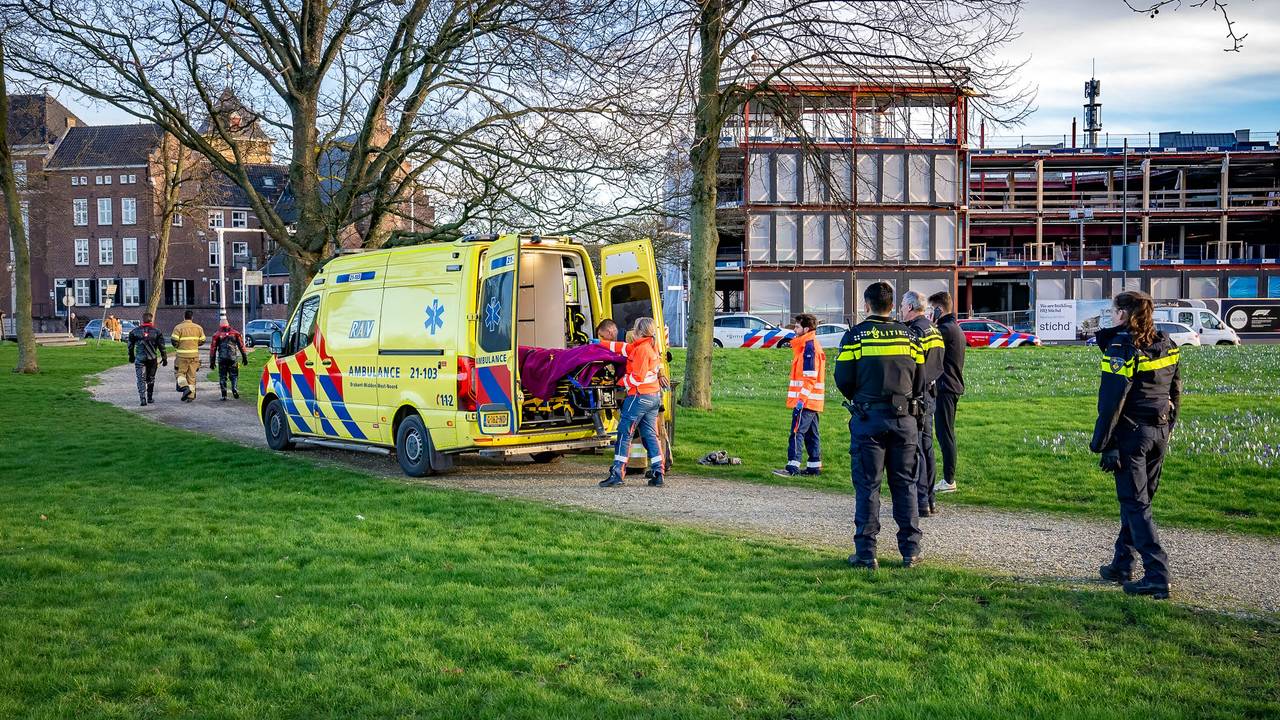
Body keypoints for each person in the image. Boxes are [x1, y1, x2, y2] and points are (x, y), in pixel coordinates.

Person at [1091, 290, 1181, 600]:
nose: (1110, 315)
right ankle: (1122, 564)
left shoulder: (1122, 347)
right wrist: (1168, 428)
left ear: (1123, 314)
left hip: (1132, 435)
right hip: (1159, 432)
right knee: (1139, 502)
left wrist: (1104, 443)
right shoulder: (1167, 343)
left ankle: (1157, 574)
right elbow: (1176, 391)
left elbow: (1112, 402)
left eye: (1112, 310)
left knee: (1135, 503)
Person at [834, 282, 926, 569]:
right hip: (904, 419)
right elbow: (921, 380)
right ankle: (910, 551)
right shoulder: (910, 336)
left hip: (868, 419)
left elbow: (843, 379)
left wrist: (862, 397)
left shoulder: (856, 336)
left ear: (866, 305)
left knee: (868, 487)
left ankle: (866, 553)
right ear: (893, 305)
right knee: (906, 485)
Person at [596, 317, 666, 488]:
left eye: (635, 328)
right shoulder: (650, 345)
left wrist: (621, 382)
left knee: (624, 433)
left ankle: (617, 473)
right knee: (650, 435)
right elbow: (623, 348)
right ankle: (658, 472)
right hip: (653, 397)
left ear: (640, 331)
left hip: (638, 396)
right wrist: (600, 344)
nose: (632, 330)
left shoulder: (641, 350)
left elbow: (637, 377)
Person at [901, 291, 946, 516]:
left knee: (916, 448)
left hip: (917, 395)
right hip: (931, 393)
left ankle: (920, 502)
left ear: (910, 307)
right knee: (927, 447)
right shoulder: (934, 330)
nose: (900, 309)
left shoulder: (915, 331)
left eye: (902, 305)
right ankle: (930, 499)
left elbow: (912, 365)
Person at [773, 313, 825, 477]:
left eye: (797, 327)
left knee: (797, 432)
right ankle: (814, 467)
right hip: (812, 401)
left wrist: (800, 400)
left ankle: (792, 467)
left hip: (805, 400)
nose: (794, 330)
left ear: (806, 329)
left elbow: (810, 378)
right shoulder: (809, 345)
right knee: (812, 434)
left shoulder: (809, 348)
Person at [928, 291, 965, 494]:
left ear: (938, 310)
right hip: (950, 386)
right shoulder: (954, 327)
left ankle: (949, 480)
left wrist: (929, 325)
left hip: (945, 387)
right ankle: (949, 479)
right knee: (946, 433)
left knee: (945, 434)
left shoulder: (944, 330)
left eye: (931, 309)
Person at [127, 312, 168, 406]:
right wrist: (164, 358)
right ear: (151, 320)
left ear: (143, 320)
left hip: (140, 358)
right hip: (152, 358)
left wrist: (131, 356)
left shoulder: (134, 332)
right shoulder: (157, 332)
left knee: (140, 378)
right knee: (151, 378)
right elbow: (162, 346)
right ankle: (149, 397)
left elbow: (130, 346)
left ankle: (142, 398)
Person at [209, 316, 250, 401]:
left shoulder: (217, 334)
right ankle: (234, 388)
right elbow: (241, 346)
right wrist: (244, 357)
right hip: (232, 358)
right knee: (234, 375)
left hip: (222, 358)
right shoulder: (235, 333)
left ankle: (224, 395)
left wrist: (212, 362)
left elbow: (213, 349)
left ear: (220, 325)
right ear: (228, 324)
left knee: (222, 376)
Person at [171, 310, 207, 402]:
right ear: (192, 317)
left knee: (179, 373)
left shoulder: (178, 328)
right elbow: (203, 340)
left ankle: (185, 387)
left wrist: (179, 346)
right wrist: (195, 344)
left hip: (181, 356)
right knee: (191, 376)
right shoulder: (198, 328)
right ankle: (190, 396)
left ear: (184, 317)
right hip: (194, 356)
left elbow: (174, 341)